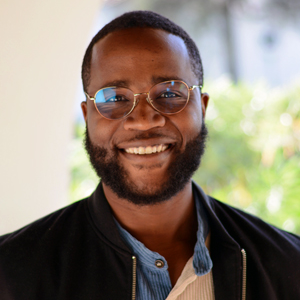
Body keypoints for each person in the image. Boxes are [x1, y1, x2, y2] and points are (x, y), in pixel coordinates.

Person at [0, 10, 299, 300]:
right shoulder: (10, 274)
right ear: (87, 115)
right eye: (114, 98)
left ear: (203, 108)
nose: (144, 120)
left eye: (169, 93)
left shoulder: (288, 266)